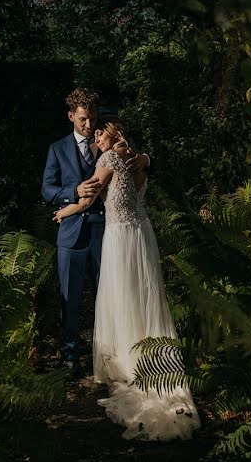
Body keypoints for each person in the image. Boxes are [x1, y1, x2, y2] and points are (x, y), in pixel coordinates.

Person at [60, 115, 200, 441]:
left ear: (111, 135)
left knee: (122, 294)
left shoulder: (109, 159)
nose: (95, 137)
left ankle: (127, 356)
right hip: (142, 234)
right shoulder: (137, 163)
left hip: (121, 237)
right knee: (142, 294)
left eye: (99, 132)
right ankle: (146, 351)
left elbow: (90, 196)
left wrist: (62, 211)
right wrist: (146, 158)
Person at [41, 88, 150, 373]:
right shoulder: (57, 149)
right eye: (82, 120)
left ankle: (111, 356)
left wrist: (148, 159)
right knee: (70, 298)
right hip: (72, 236)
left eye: (92, 119)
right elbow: (47, 190)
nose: (89, 126)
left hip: (108, 233)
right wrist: (72, 191)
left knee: (114, 297)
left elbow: (136, 164)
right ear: (70, 116)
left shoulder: (109, 141)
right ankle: (71, 356)